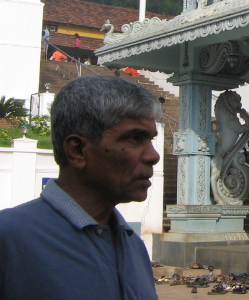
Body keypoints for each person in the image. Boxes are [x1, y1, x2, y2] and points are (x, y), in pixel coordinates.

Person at [0, 75, 161, 300]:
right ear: (77, 150)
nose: (154, 156)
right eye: (134, 138)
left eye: (151, 139)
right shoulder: (9, 237)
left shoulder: (133, 246)